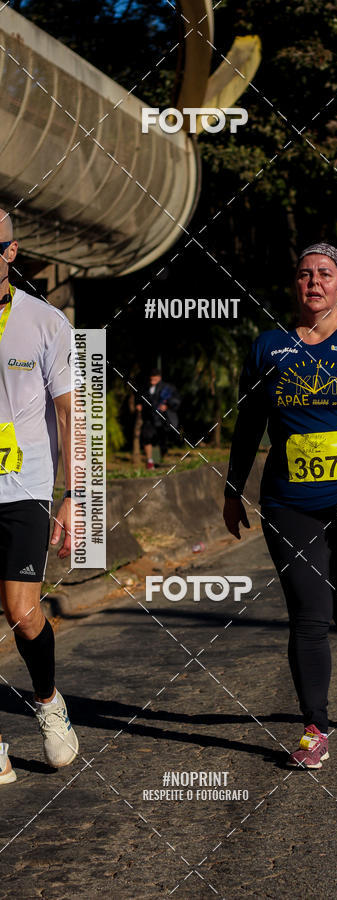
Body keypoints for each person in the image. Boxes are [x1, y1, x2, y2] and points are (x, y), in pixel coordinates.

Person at [223, 242, 337, 769]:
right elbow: (248, 426)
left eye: (324, 274)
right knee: (308, 614)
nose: (313, 282)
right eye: (304, 273)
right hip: (289, 505)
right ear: (295, 284)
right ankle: (313, 729)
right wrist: (233, 489)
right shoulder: (269, 347)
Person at [0, 210, 78, 785]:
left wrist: (74, 496)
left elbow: (70, 412)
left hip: (24, 485)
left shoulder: (46, 322)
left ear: (11, 253)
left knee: (23, 613)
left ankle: (50, 705)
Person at [136, 368, 180, 469]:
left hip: (162, 419)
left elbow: (176, 400)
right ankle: (150, 462)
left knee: (160, 442)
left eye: (154, 380)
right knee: (147, 437)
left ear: (159, 378)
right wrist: (139, 404)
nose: (152, 382)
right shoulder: (145, 387)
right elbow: (139, 398)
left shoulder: (167, 388)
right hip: (149, 418)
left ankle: (157, 461)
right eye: (151, 380)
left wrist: (167, 406)